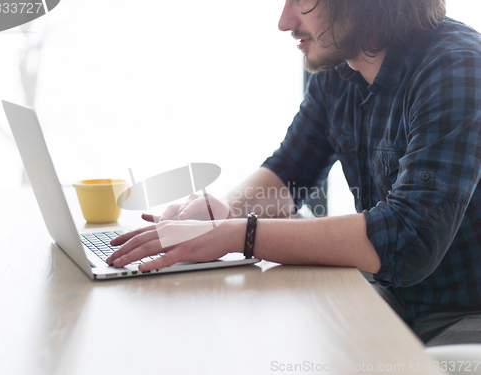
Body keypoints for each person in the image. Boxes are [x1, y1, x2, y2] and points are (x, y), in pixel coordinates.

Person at [107, 0, 481, 346]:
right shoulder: (341, 65)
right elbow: (290, 172)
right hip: (390, 296)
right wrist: (218, 213)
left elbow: (406, 242)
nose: (284, 22)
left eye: (302, 0)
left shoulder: (458, 67)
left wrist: (239, 235)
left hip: (462, 314)